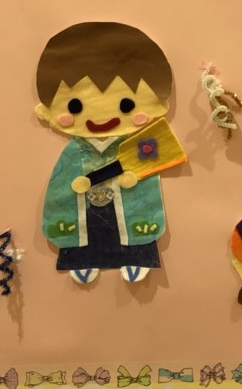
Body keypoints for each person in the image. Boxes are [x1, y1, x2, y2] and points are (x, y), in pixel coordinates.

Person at [34, 21, 184, 285]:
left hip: (125, 206)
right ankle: (82, 260)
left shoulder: (141, 147)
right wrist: (75, 184)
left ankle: (136, 256)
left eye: (127, 105)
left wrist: (133, 177)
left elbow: (146, 176)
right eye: (75, 106)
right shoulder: (75, 151)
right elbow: (61, 183)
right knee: (84, 228)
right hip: (88, 209)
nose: (101, 118)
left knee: (133, 225)